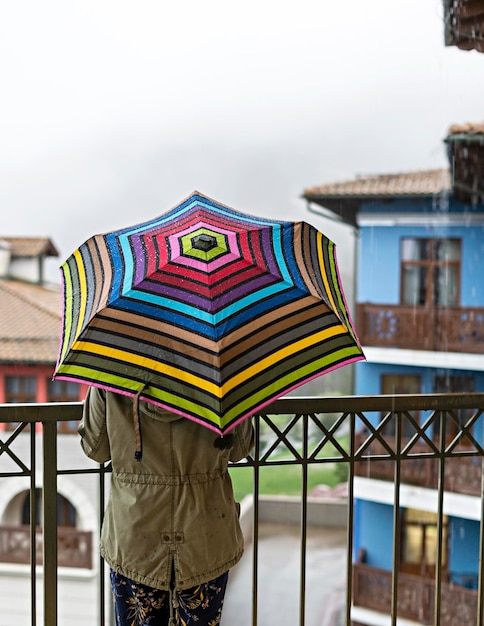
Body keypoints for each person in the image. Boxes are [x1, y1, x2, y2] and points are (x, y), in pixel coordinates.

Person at [79, 386, 254, 626]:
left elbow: (95, 449)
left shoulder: (112, 372)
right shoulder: (218, 373)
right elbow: (239, 449)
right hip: (206, 532)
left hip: (135, 534)